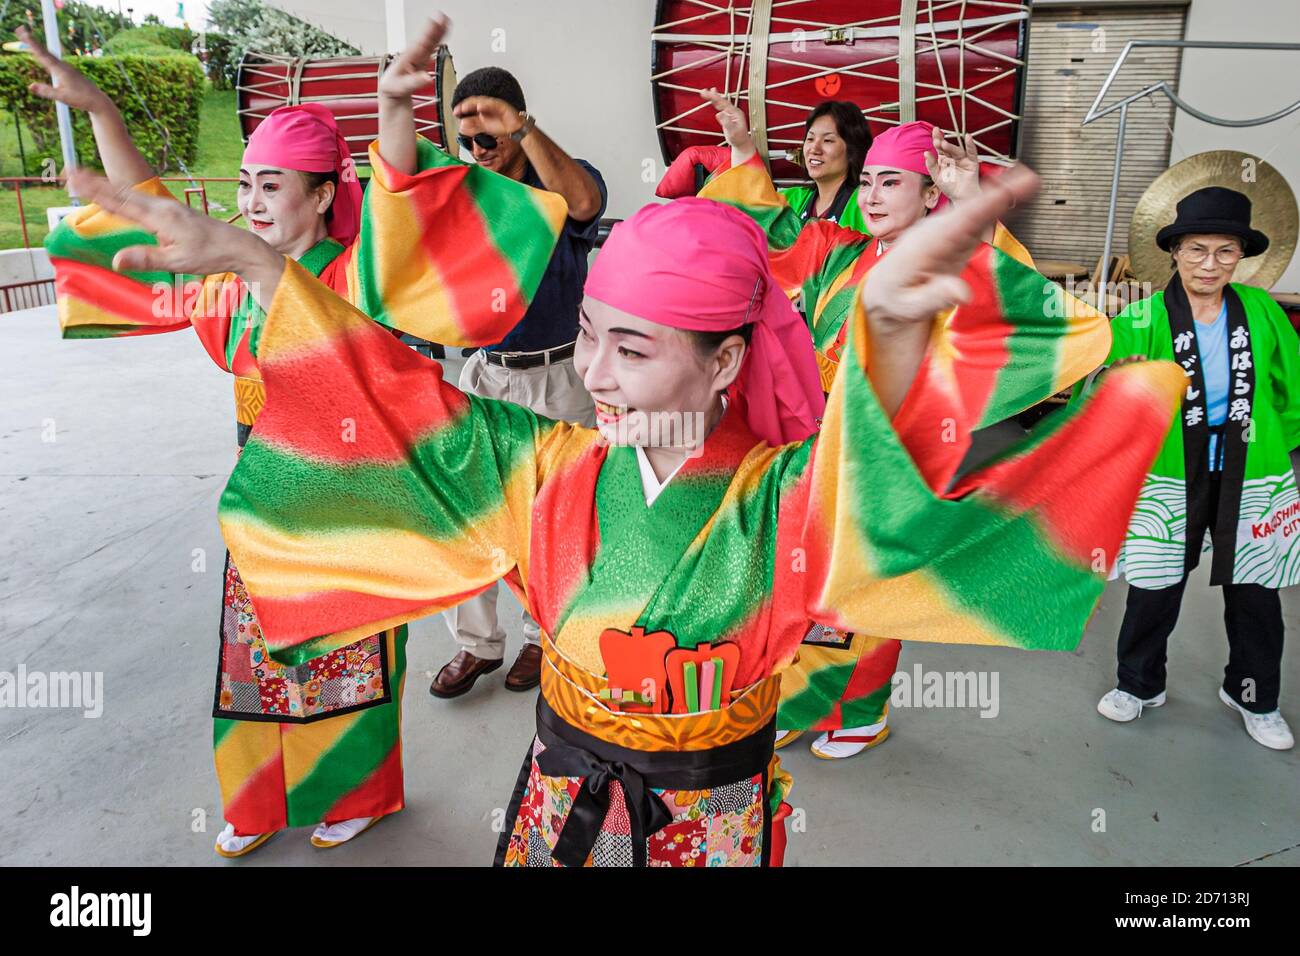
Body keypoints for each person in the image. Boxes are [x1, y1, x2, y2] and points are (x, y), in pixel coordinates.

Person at [66, 146, 1188, 865]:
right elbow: (399, 401)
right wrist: (258, 268)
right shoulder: (552, 463)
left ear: (723, 362)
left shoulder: (776, 495)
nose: (594, 373)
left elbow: (872, 497)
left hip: (710, 813)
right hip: (559, 790)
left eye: (634, 348)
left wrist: (889, 333)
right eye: (591, 336)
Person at [33, 16, 567, 855]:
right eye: (245, 183)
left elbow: (401, 205)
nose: (248, 202)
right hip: (266, 495)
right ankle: (256, 801)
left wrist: (395, 112)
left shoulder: (357, 277)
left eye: (271, 186)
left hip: (354, 498)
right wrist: (103, 112)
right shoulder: (236, 273)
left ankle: (359, 794)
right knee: (255, 665)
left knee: (346, 664)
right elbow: (154, 219)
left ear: (323, 195)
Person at [691, 93, 1063, 759]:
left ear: (929, 196)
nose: (873, 193)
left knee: (866, 589)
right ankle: (803, 699)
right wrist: (744, 150)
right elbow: (771, 230)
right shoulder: (841, 252)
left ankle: (860, 714)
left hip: (898, 454)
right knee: (805, 579)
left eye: (892, 181)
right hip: (818, 443)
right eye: (867, 181)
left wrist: (973, 199)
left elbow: (1020, 308)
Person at [1084, 187, 1299, 751]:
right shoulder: (1143, 316)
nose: (1210, 264)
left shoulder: (1263, 312)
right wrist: (1114, 379)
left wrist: (1275, 453)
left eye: (1225, 251)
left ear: (1241, 256)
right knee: (1154, 586)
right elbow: (1102, 389)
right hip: (1168, 475)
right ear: (1175, 251)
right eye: (1197, 249)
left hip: (1250, 473)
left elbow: (1291, 391)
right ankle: (1139, 684)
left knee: (1255, 589)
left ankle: (1253, 694)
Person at [428, 65, 609, 701]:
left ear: (518, 120)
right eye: (466, 139)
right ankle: (476, 645)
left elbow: (585, 204)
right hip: (483, 373)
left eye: (490, 134)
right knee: (470, 511)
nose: (477, 150)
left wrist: (525, 134)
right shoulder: (462, 191)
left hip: (559, 376)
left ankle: (541, 637)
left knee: (556, 516)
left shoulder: (560, 180)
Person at [656, 100, 871, 234]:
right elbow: (749, 206)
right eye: (810, 139)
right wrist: (740, 142)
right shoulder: (793, 198)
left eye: (828, 141)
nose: (814, 149)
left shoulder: (865, 204)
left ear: (852, 150)